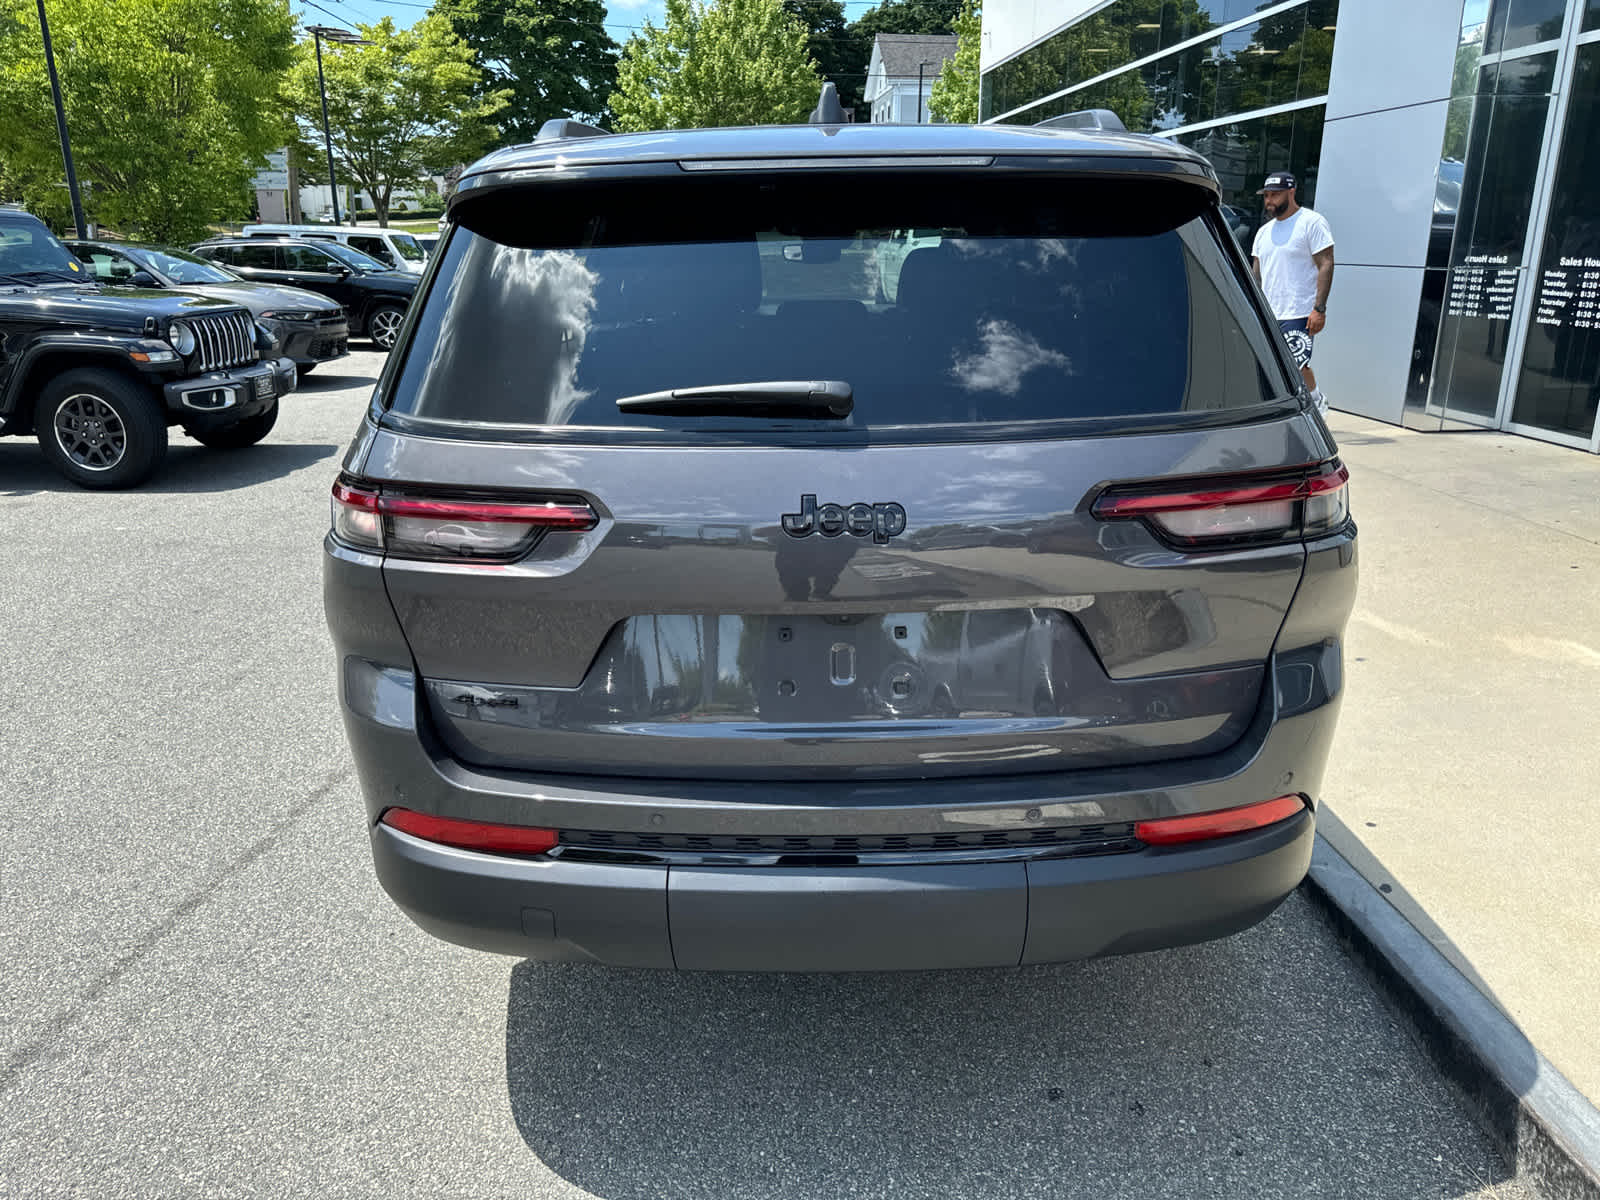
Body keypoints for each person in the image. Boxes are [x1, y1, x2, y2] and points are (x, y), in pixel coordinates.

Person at [1251, 171, 1334, 414]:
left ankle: (1316, 401)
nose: (1269, 201)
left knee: (1297, 363)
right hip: (1269, 312)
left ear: (1291, 192)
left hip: (1299, 310)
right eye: (1266, 196)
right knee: (1273, 367)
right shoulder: (1263, 233)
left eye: (1275, 195)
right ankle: (1285, 411)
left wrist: (1319, 309)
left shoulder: (1311, 222)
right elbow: (1257, 276)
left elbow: (1326, 263)